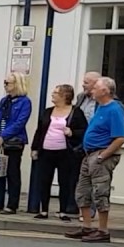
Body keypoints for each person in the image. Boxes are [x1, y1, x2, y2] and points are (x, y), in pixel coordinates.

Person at [67, 77, 124, 243]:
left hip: (100, 155)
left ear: (105, 91)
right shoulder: (100, 107)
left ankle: (103, 230)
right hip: (89, 154)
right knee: (82, 191)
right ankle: (87, 226)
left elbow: (120, 138)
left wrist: (103, 155)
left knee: (100, 192)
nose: (92, 90)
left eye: (96, 88)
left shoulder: (114, 110)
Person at [30, 84, 88, 221]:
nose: (53, 95)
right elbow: (40, 131)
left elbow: (84, 130)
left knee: (65, 181)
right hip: (46, 151)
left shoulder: (76, 112)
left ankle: (63, 210)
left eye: (56, 93)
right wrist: (35, 148)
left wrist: (72, 132)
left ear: (65, 96)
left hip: (65, 152)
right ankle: (43, 210)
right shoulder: (48, 111)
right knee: (44, 180)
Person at [0, 72, 32, 214]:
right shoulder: (4, 101)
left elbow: (20, 123)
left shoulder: (25, 102)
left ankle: (12, 204)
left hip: (14, 142)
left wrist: (3, 137)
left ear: (17, 84)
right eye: (5, 82)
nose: (5, 85)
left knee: (12, 173)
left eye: (8, 83)